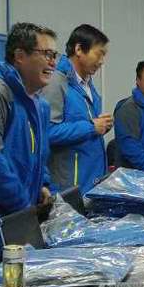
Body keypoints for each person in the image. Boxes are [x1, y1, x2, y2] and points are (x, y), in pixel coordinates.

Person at [0, 23, 56, 253]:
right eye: (46, 54)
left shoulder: (39, 104)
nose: (53, 62)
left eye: (54, 55)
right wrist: (24, 207)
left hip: (23, 219)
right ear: (19, 56)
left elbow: (40, 156)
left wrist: (43, 185)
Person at [42, 23, 111, 195]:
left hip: (91, 183)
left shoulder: (87, 84)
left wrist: (102, 126)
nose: (102, 61)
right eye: (99, 54)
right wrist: (91, 127)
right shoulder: (55, 82)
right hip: (69, 188)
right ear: (79, 49)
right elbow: (47, 132)